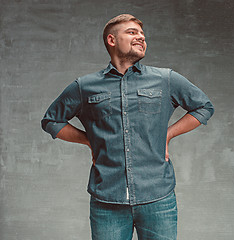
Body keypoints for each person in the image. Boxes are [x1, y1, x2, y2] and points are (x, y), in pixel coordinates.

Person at [41, 14, 214, 240]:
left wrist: (167, 135)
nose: (141, 37)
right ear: (112, 40)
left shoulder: (165, 79)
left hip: (158, 198)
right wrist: (89, 140)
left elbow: (204, 107)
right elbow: (51, 120)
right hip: (107, 201)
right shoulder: (85, 86)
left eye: (142, 34)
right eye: (132, 32)